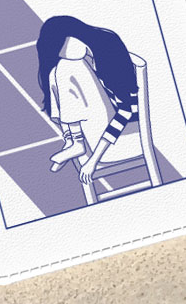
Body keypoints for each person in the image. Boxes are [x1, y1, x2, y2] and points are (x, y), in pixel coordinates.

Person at [36, 16, 139, 186]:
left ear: (74, 34)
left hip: (125, 137)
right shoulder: (88, 55)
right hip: (104, 130)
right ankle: (72, 140)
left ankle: (77, 143)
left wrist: (93, 161)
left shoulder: (108, 46)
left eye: (64, 46)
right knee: (56, 70)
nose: (63, 54)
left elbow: (126, 110)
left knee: (65, 68)